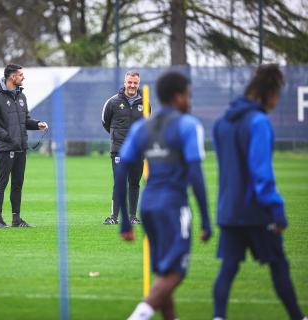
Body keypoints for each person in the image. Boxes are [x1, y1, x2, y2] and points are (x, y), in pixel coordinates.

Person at [212, 64, 306, 320]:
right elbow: (261, 172)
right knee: (278, 264)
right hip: (255, 211)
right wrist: (276, 209)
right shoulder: (259, 122)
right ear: (270, 93)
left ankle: (218, 317)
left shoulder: (221, 123)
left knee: (228, 268)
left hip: (228, 209)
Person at [116, 72, 212, 320]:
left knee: (162, 271)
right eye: (188, 95)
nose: (190, 101)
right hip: (174, 206)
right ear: (178, 96)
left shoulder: (141, 127)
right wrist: (206, 220)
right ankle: (139, 315)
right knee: (176, 273)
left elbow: (121, 171)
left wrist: (126, 221)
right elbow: (196, 176)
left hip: (148, 206)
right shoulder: (188, 125)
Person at [0, 64, 48, 228]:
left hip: (21, 148)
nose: (23, 77)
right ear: (12, 76)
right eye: (20, 74)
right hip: (5, 149)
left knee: (18, 184)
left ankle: (16, 219)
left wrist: (37, 124)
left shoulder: (22, 96)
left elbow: (25, 121)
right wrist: (8, 138)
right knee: (2, 183)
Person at [101, 70, 145, 225]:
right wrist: (116, 137)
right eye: (129, 82)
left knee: (134, 182)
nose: (132, 85)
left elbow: (148, 125)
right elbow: (105, 122)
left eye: (135, 83)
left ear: (138, 84)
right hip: (119, 149)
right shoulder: (113, 102)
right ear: (125, 82)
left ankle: (133, 217)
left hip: (138, 150)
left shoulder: (145, 103)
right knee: (120, 182)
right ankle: (114, 216)